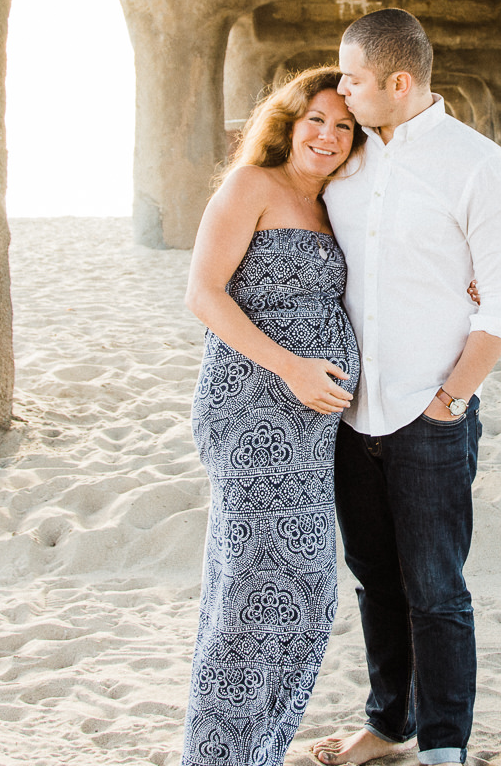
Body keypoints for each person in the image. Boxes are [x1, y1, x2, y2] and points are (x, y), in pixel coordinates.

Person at [311, 9, 501, 766]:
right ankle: (389, 723)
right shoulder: (348, 164)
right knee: (375, 579)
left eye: (355, 78)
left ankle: (443, 745)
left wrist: (451, 403)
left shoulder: (477, 165)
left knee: (436, 588)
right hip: (350, 414)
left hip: (431, 413)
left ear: (399, 83)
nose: (342, 90)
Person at [181, 67, 366, 766]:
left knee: (308, 587)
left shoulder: (336, 204)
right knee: (253, 587)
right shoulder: (252, 186)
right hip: (252, 408)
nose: (327, 135)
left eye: (343, 126)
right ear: (287, 121)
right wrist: (289, 365)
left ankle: (257, 747)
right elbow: (203, 293)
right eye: (315, 120)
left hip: (315, 424)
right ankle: (220, 756)